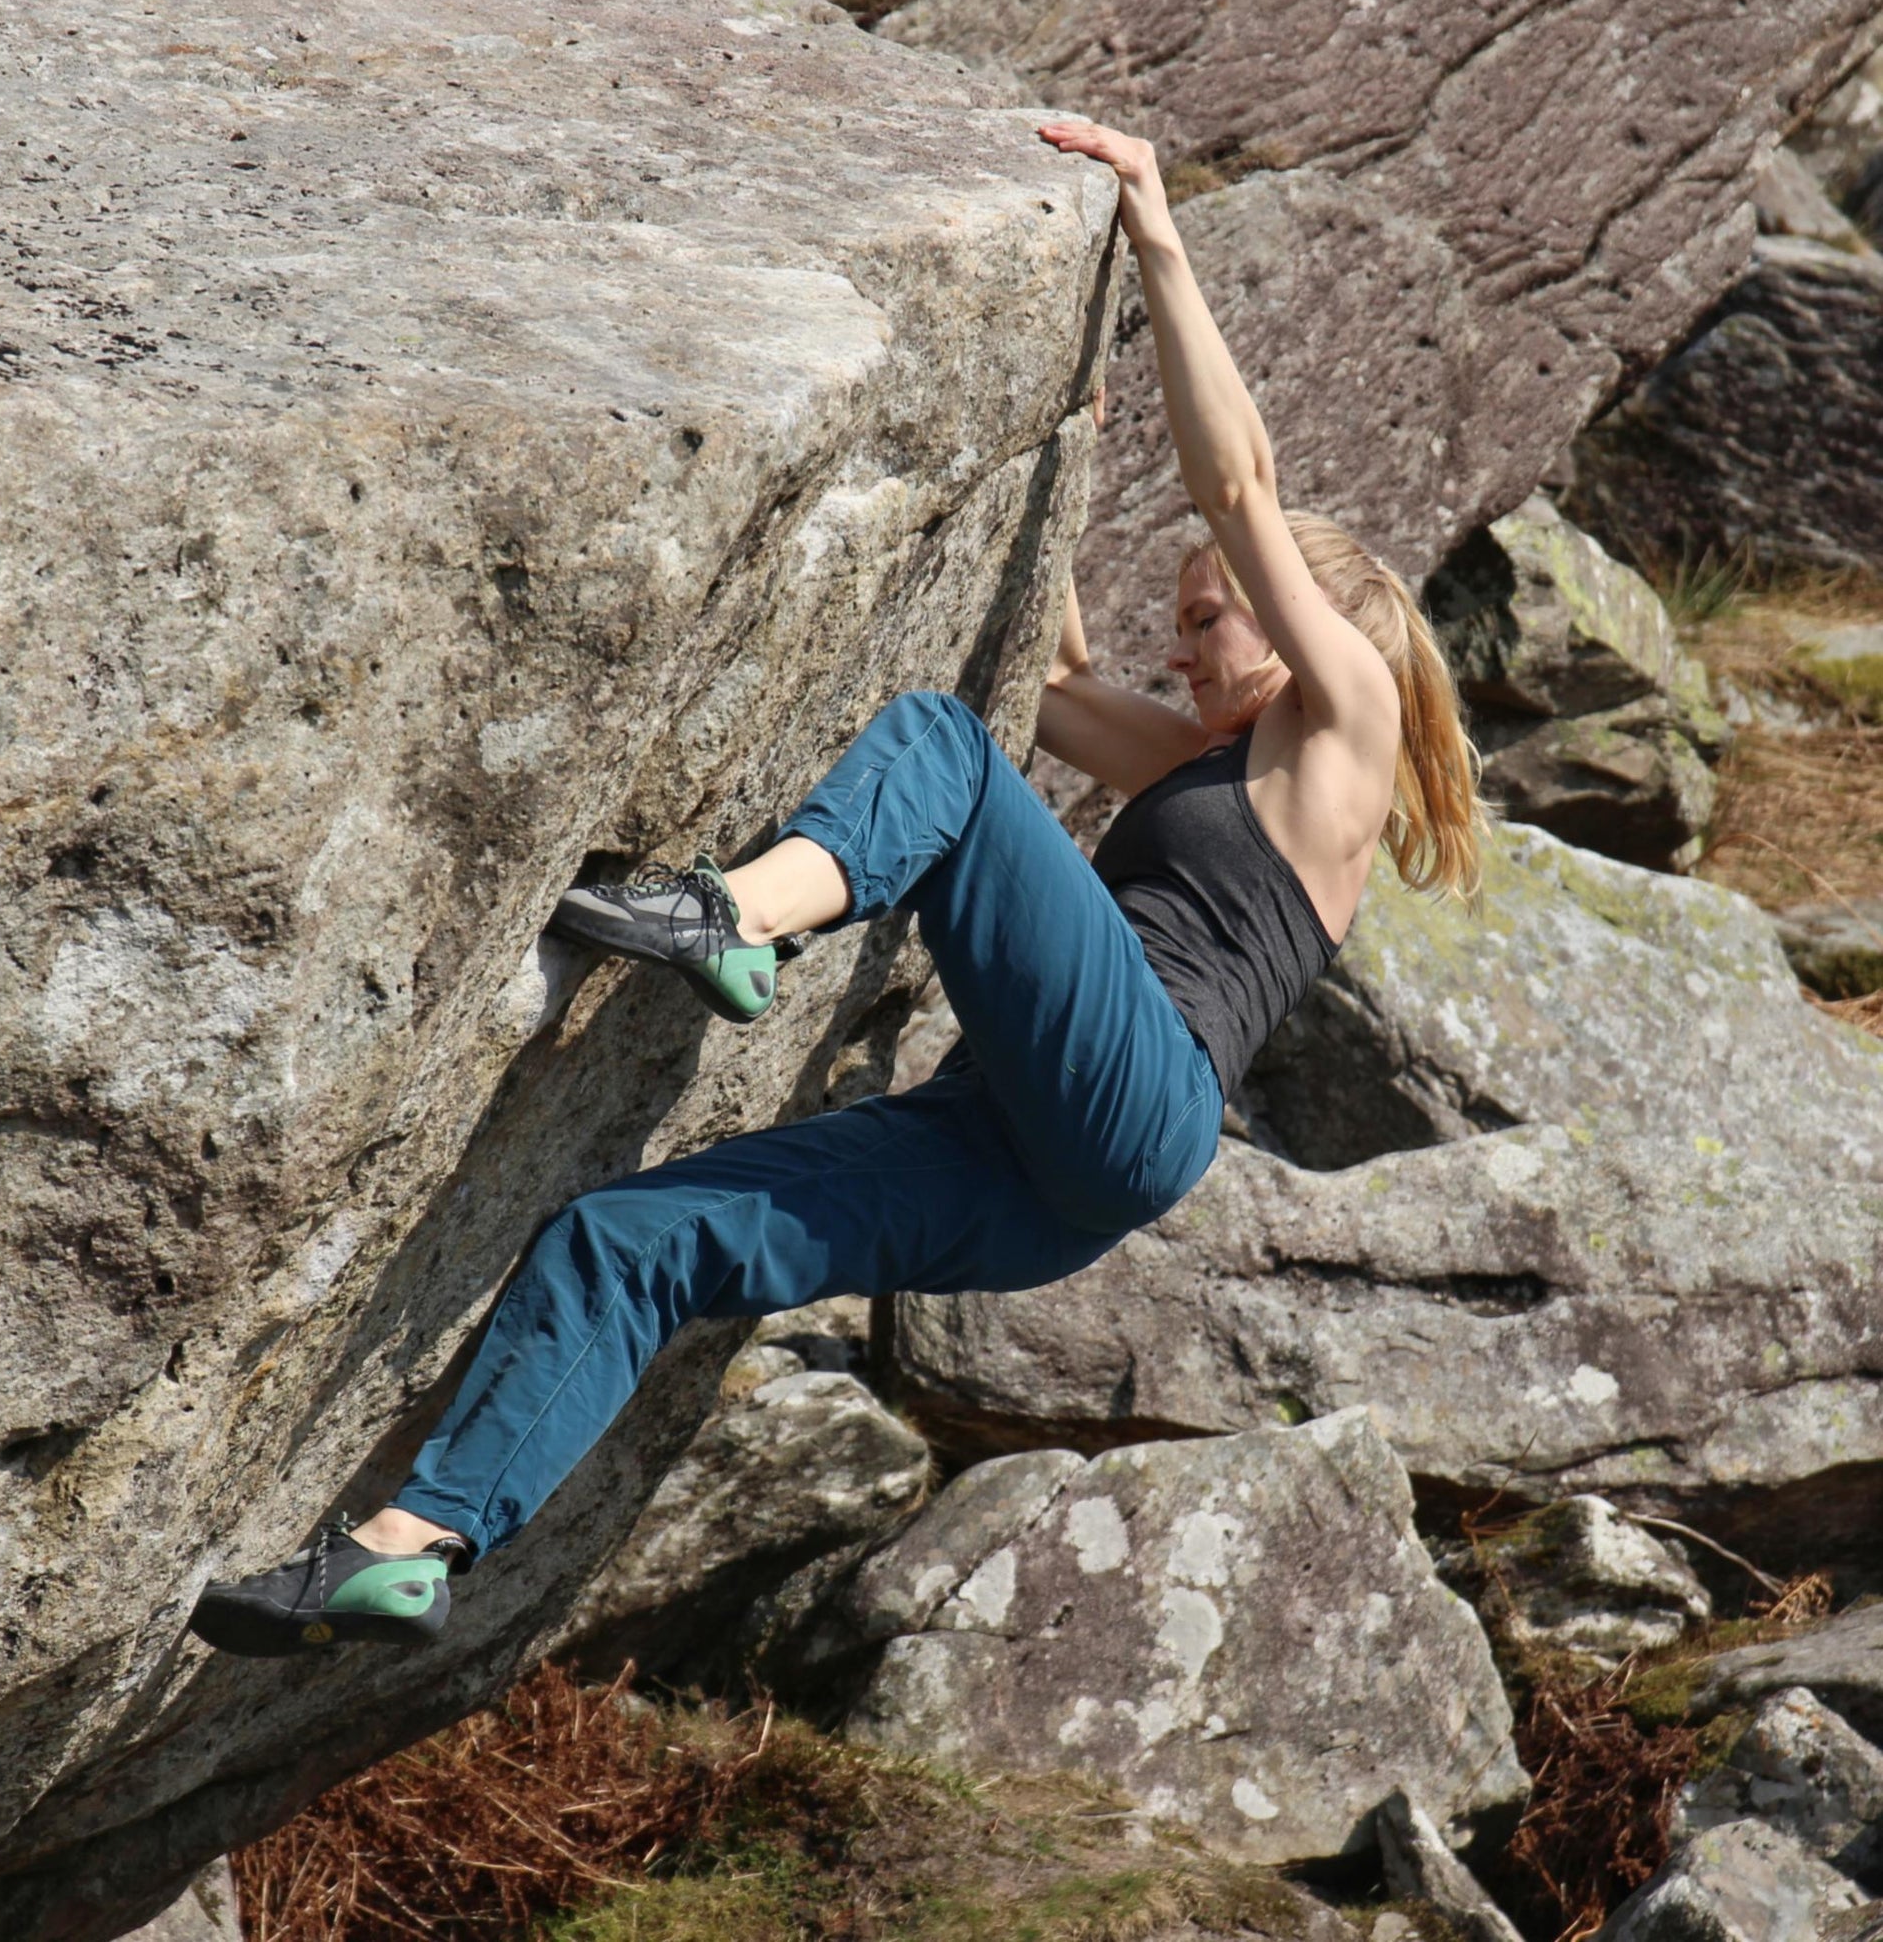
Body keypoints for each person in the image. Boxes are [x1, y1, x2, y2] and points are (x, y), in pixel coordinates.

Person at [188, 121, 1485, 1657]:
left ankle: (736, 915)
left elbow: (1235, 479)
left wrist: (1153, 233)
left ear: (1311, 617)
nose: (1183, 647)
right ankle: (413, 1543)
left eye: (1210, 619)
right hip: (1021, 1161)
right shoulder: (1188, 759)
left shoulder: (1342, 726)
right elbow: (1051, 684)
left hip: (1143, 1096)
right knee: (634, 1238)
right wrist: (1033, 417)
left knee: (935, 748)